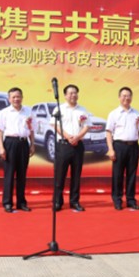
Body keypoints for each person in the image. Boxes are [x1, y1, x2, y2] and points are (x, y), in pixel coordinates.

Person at [0, 87, 36, 213]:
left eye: (18, 96)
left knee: (22, 175)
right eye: (13, 97)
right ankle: (7, 202)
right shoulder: (4, 112)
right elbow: (0, 132)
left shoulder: (28, 111)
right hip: (10, 144)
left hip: (23, 143)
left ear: (22, 97)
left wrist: (32, 144)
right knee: (9, 174)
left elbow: (31, 130)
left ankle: (21, 202)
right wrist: (1, 148)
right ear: (9, 99)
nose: (16, 99)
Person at [51, 84, 91, 212]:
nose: (73, 95)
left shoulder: (83, 110)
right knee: (60, 175)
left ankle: (74, 201)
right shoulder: (59, 109)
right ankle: (58, 202)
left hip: (78, 145)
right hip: (63, 145)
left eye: (75, 93)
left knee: (76, 175)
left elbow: (86, 126)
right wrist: (68, 137)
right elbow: (55, 125)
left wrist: (77, 137)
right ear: (65, 95)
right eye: (70, 93)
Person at [105, 87, 139, 211]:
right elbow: (108, 132)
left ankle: (131, 200)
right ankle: (117, 200)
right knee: (117, 174)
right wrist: (111, 149)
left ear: (131, 97)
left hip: (133, 146)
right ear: (119, 97)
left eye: (128, 96)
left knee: (132, 174)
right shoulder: (113, 113)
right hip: (119, 146)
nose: (126, 98)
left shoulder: (137, 113)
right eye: (123, 96)